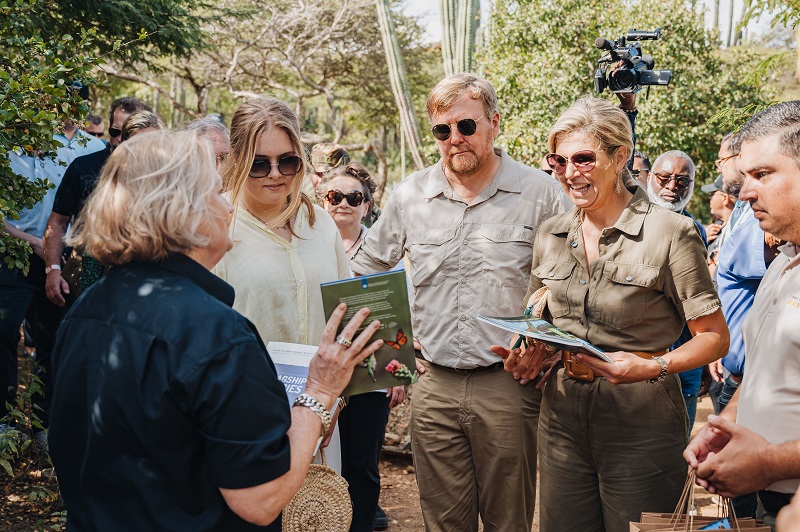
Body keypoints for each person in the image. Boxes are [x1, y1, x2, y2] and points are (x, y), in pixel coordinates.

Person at [47, 129, 385, 530]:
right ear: (182, 212)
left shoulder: (87, 309)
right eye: (215, 192)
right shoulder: (216, 334)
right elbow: (261, 497)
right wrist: (321, 393)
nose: (227, 207)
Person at [498, 97, 728, 532]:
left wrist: (653, 365)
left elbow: (715, 337)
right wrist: (528, 351)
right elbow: (538, 320)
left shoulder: (671, 232)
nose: (570, 172)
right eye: (558, 160)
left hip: (643, 421)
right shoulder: (551, 232)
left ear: (619, 157)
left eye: (584, 158)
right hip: (561, 418)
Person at [351, 74, 570, 532]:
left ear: (493, 123)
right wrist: (395, 351)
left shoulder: (540, 194)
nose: (455, 140)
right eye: (442, 131)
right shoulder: (411, 195)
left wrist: (545, 351)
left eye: (466, 126)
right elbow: (365, 272)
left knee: (508, 520)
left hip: (508, 385)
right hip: (433, 386)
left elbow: (566, 285)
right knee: (444, 522)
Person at [213, 97, 351, 471]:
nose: (275, 174)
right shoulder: (214, 225)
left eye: (287, 161)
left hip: (321, 415)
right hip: (244, 423)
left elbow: (345, 321)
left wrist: (334, 401)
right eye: (260, 164)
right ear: (238, 159)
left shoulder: (321, 225)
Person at [685, 100, 800, 529]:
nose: (745, 192)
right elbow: (765, 369)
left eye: (763, 174)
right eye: (745, 176)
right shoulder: (784, 260)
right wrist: (726, 421)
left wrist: (770, 462)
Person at [0, 117, 105, 431]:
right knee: (5, 333)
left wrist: (59, 252)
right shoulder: (7, 155)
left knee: (53, 339)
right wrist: (32, 240)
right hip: (14, 257)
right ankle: (5, 421)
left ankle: (44, 424)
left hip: (60, 260)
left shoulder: (76, 153)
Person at [316, 163, 403, 531]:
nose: (343, 204)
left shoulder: (384, 252)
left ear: (367, 206)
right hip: (320, 375)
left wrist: (397, 373)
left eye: (354, 198)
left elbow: (399, 311)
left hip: (371, 374)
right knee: (323, 462)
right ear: (322, 201)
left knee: (363, 463)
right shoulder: (309, 246)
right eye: (334, 197)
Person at [43, 96, 151, 308]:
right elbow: (57, 222)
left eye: (128, 133)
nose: (120, 139)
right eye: (115, 132)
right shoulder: (82, 168)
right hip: (80, 278)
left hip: (131, 284)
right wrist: (52, 269)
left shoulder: (154, 175)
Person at [646, 150, 709, 427]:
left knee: (680, 445)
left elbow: (702, 299)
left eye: (682, 181)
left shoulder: (696, 230)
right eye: (664, 178)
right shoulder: (632, 223)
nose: (672, 187)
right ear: (650, 178)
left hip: (686, 356)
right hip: (641, 356)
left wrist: (704, 359)